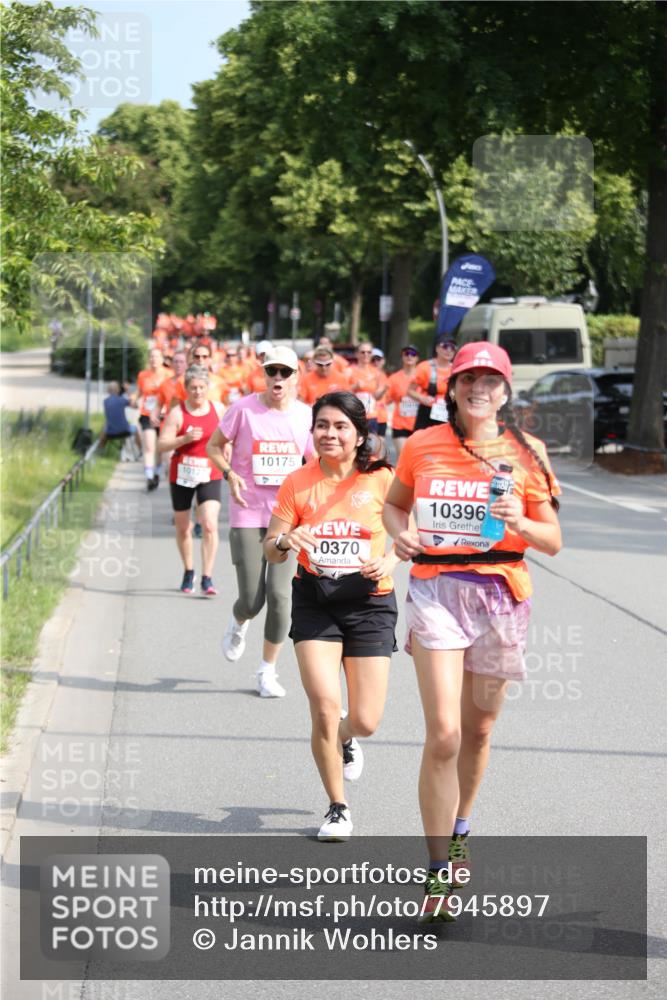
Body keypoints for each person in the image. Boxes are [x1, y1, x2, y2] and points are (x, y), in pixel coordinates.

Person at [382, 342, 562, 921]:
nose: (478, 389)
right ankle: (438, 873)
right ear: (452, 387)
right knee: (444, 734)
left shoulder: (526, 452)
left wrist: (521, 521)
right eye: (468, 379)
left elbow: (553, 539)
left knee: (479, 732)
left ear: (506, 391)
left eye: (490, 380)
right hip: (435, 587)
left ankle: (461, 830)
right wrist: (401, 535)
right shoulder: (422, 444)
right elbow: (394, 506)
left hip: (501, 595)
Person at [264, 391, 400, 841]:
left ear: (360, 434)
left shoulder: (382, 480)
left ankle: (347, 737)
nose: (330, 434)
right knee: (324, 706)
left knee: (365, 719)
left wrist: (392, 560)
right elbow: (272, 547)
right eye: (322, 425)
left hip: (370, 602)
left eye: (341, 426)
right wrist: (287, 542)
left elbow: (411, 531)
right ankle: (337, 807)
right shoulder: (298, 482)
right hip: (316, 601)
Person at [207, 347, 313, 698]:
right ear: (264, 375)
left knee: (281, 597)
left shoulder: (306, 416)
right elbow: (213, 446)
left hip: (286, 518)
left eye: (285, 372)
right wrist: (229, 474)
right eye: (272, 372)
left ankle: (267, 671)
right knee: (253, 600)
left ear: (297, 376)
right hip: (248, 511)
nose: (278, 379)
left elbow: (316, 463)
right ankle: (239, 622)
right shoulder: (243, 409)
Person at [158, 364, 224, 596]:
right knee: (184, 527)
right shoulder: (177, 413)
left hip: (209, 472)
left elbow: (229, 437)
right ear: (186, 388)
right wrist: (183, 439)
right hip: (182, 473)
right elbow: (161, 444)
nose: (197, 392)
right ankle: (189, 570)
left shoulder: (218, 409)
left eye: (201, 387)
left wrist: (230, 457)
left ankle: (207, 576)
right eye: (193, 388)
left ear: (208, 388)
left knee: (209, 524)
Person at [136, 347, 170, 491]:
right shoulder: (143, 375)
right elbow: (139, 392)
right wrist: (132, 398)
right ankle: (149, 477)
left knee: (160, 449)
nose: (154, 359)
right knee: (149, 446)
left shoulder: (169, 375)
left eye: (157, 357)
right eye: (151, 357)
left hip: (164, 415)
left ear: (162, 359)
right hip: (147, 414)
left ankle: (156, 473)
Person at [408, 336, 456, 430]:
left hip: (448, 410)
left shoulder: (456, 369)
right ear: (437, 348)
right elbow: (410, 391)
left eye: (453, 347)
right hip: (428, 410)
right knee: (421, 440)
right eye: (445, 346)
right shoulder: (425, 367)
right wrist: (422, 398)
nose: (449, 350)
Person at [385, 344, 420, 456]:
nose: (409, 356)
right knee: (404, 455)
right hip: (400, 424)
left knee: (418, 457)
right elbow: (386, 400)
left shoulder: (423, 376)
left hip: (420, 424)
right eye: (406, 354)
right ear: (402, 357)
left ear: (417, 358)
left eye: (413, 354)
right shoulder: (394, 378)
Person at [349, 344, 385, 434]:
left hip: (371, 416)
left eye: (369, 352)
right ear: (357, 354)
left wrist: (383, 390)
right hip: (354, 416)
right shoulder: (349, 371)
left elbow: (378, 397)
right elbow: (342, 392)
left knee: (371, 446)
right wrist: (354, 387)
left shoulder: (377, 373)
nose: (366, 354)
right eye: (363, 352)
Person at [99, 382, 140, 453]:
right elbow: (136, 406)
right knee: (135, 429)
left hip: (110, 432)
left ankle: (100, 451)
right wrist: (127, 391)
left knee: (103, 429)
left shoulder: (105, 401)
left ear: (108, 391)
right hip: (124, 430)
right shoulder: (122, 400)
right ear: (118, 390)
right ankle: (140, 451)